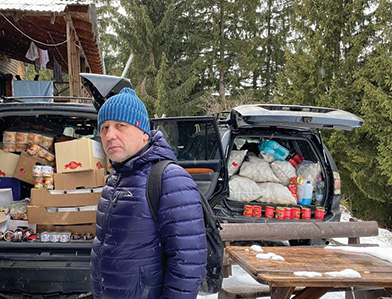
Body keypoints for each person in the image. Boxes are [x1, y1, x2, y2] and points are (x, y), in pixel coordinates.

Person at [90, 88, 207, 298]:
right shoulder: (115, 179)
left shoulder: (169, 179)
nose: (110, 135)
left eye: (120, 126)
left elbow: (188, 263)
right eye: (104, 127)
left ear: (144, 133)